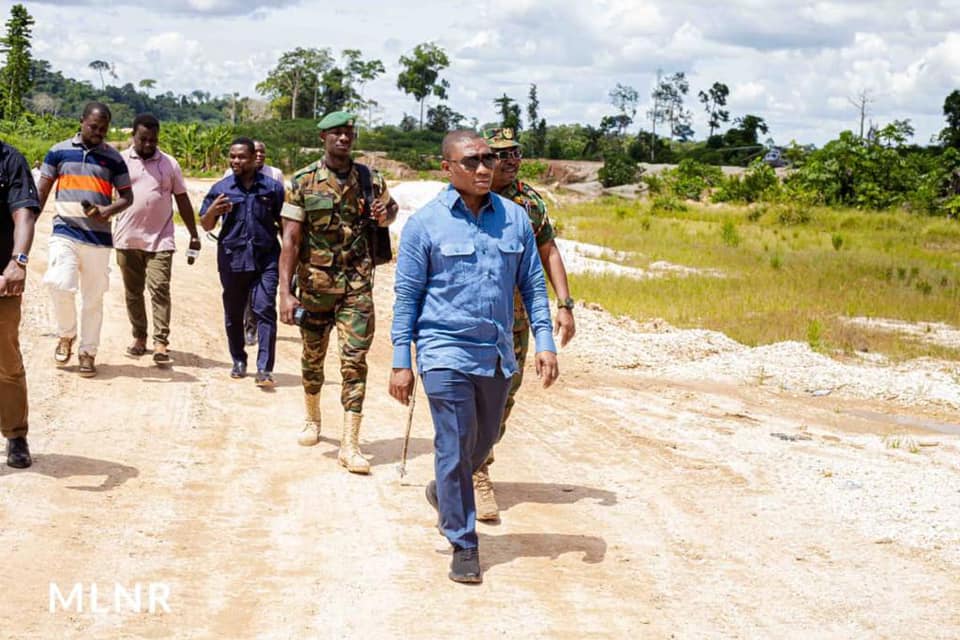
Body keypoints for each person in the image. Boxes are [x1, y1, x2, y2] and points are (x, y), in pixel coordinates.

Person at [389, 129, 559, 583]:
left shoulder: (516, 220)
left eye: (488, 159)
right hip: (443, 351)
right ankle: (463, 542)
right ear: (447, 168)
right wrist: (401, 360)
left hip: (497, 354)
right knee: (453, 440)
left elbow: (533, 286)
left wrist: (544, 340)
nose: (484, 168)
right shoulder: (426, 224)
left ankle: (444, 491)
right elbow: (406, 296)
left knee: (480, 444)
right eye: (472, 161)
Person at [279, 111, 398, 474]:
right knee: (313, 359)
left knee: (354, 360)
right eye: (336, 133)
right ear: (323, 139)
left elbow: (391, 212)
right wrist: (285, 293)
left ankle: (350, 444)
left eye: (349, 133)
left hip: (357, 286)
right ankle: (313, 417)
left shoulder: (370, 179)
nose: (344, 139)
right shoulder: (302, 181)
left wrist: (384, 215)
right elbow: (291, 239)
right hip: (315, 286)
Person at [472, 128, 577, 521]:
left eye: (516, 152)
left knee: (502, 397)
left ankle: (478, 460)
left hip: (513, 320)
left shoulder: (529, 203)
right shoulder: (469, 196)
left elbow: (549, 252)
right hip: (469, 314)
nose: (511, 159)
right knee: (467, 390)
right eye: (501, 154)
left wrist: (564, 304)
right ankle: (473, 470)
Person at [37, 101, 134, 378]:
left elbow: (128, 197)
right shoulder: (58, 151)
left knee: (93, 299)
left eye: (103, 129)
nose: (98, 132)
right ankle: (67, 335)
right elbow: (42, 192)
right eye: (94, 127)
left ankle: (87, 352)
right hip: (64, 230)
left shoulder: (114, 159)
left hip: (98, 238)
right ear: (81, 121)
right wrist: (27, 222)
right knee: (58, 283)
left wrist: (107, 210)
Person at [115, 113, 201, 363]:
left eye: (153, 140)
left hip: (161, 238)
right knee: (133, 292)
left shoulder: (169, 164)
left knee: (160, 289)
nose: (149, 145)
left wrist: (194, 234)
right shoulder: (120, 162)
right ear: (133, 136)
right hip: (126, 239)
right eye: (144, 139)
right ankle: (139, 337)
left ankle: (161, 342)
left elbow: (182, 199)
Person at [200, 137, 284, 387]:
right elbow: (205, 223)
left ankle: (264, 369)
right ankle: (238, 359)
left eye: (241, 157)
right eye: (232, 156)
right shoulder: (221, 188)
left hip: (266, 258)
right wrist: (213, 210)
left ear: (253, 159)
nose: (236, 161)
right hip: (232, 258)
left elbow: (285, 225)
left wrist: (292, 262)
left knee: (265, 309)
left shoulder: (272, 188)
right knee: (233, 313)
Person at [0, 140, 41, 468]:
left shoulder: (10, 160)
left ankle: (16, 435)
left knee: (6, 360)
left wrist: (19, 261)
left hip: (1, 280)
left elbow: (23, 212)